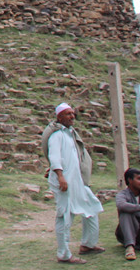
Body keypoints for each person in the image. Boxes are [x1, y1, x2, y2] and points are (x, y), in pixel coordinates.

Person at [45, 102, 104, 264]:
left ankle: (88, 245)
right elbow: (55, 157)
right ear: (59, 117)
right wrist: (60, 176)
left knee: (92, 206)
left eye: (73, 113)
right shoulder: (57, 136)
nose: (72, 116)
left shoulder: (70, 134)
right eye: (68, 114)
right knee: (64, 216)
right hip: (64, 182)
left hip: (77, 181)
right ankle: (63, 254)